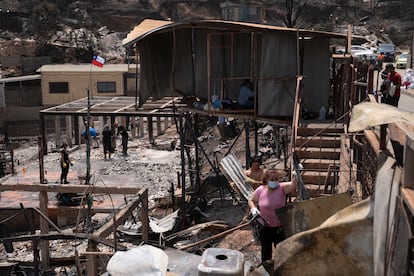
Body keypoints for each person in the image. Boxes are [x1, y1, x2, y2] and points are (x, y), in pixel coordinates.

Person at [248, 169, 297, 263]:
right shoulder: (260, 190)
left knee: (282, 251)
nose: (274, 181)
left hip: (279, 227)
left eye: (276, 179)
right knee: (266, 252)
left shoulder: (282, 188)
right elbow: (251, 200)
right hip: (265, 227)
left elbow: (293, 185)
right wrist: (253, 209)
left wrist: (296, 174)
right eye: (272, 179)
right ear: (266, 179)